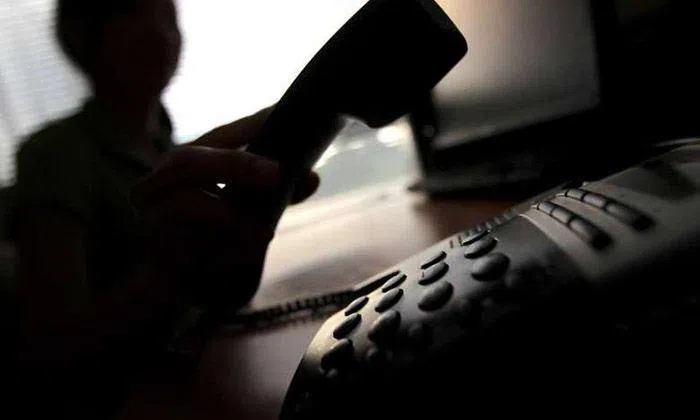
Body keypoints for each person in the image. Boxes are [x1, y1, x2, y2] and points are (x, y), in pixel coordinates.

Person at [10, 0, 319, 417]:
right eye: (135, 12)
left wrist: (247, 226)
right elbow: (51, 351)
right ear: (82, 35)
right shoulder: (53, 155)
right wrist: (170, 268)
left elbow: (214, 298)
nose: (162, 33)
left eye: (169, 18)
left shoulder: (166, 144)